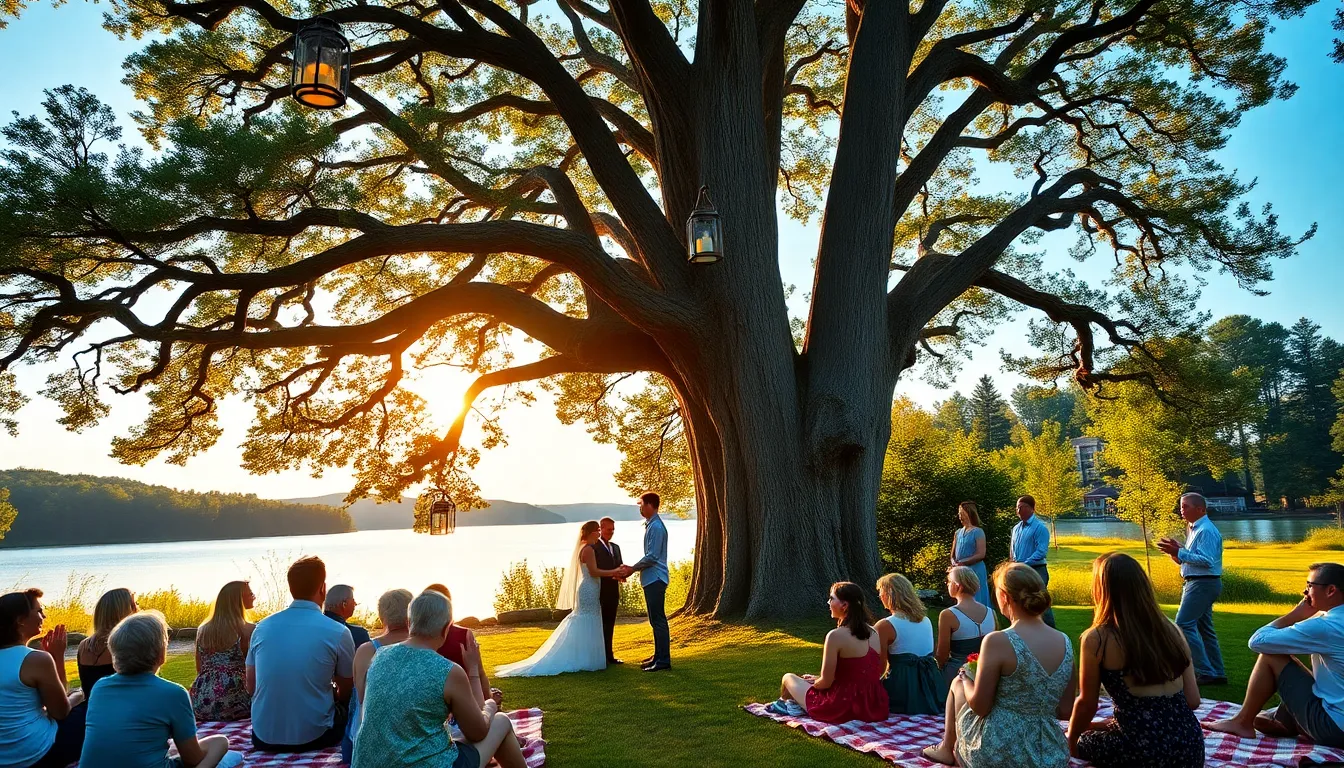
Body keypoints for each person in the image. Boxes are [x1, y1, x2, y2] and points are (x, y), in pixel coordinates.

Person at [922, 563, 1076, 768]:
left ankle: (946, 749)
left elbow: (981, 707)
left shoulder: (998, 641)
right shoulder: (1065, 641)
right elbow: (1066, 710)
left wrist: (966, 679)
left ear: (1004, 597)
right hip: (1048, 751)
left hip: (998, 752)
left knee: (958, 684)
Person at [353, 590, 527, 768]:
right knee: (501, 721)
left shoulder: (379, 656)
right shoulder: (448, 671)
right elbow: (478, 732)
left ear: (409, 622)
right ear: (446, 628)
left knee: (455, 737)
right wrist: (489, 705)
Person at [1067, 553, 1203, 768]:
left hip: (1142, 750)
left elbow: (1086, 703)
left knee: (1087, 740)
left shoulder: (1098, 638)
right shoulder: (1171, 629)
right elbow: (1193, 700)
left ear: (1102, 590)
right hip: (1190, 746)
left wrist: (1071, 739)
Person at [78, 610, 242, 768]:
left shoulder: (99, 688)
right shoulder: (174, 694)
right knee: (221, 743)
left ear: (114, 656)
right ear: (161, 654)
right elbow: (193, 759)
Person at [1208, 562, 1344, 748]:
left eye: (1309, 585)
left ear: (1331, 590)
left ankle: (1242, 722)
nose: (1305, 592)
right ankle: (1288, 720)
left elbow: (1258, 641)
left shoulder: (1327, 626)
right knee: (1264, 718)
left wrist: (1295, 614)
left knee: (1272, 656)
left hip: (1335, 729)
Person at [245, 555, 356, 752]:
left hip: (264, 736)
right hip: (316, 736)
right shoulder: (337, 631)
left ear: (291, 588)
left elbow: (251, 686)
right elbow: (346, 690)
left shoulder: (262, 628)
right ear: (322, 588)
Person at [495, 521, 619, 677]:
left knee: (590, 619)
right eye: (597, 531)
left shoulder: (586, 548)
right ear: (591, 533)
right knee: (587, 619)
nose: (599, 534)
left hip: (592, 589)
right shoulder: (588, 550)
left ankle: (589, 657)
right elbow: (594, 572)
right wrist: (615, 571)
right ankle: (584, 658)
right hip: (589, 589)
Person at [768, 582, 889, 724]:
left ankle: (789, 706)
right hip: (873, 705)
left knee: (788, 678)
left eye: (832, 599)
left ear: (844, 605)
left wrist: (812, 683)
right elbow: (872, 671)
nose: (828, 602)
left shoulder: (835, 636)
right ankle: (789, 705)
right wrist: (817, 679)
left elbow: (826, 683)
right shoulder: (874, 632)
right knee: (805, 682)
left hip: (843, 706)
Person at [0, 588, 86, 768]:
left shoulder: (30, 658)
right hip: (31, 754)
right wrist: (57, 657)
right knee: (86, 708)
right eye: (39, 611)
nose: (44, 616)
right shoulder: (35, 659)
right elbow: (60, 712)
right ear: (20, 620)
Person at [1157, 492, 1227, 686]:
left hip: (1202, 583)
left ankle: (1205, 671)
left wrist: (1179, 551)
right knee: (1205, 629)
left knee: (1184, 624)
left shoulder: (1206, 530)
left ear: (1201, 509)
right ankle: (1216, 672)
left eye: (1186, 506)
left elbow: (1207, 561)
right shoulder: (1195, 529)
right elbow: (1188, 560)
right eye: (1181, 506)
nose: (1182, 509)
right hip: (1199, 582)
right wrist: (1176, 552)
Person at [344, 588, 414, 764]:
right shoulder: (425, 648)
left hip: (364, 746)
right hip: (413, 742)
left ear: (382, 616)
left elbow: (361, 698)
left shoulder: (366, 651)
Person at [619, 491, 671, 672]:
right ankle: (658, 656)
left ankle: (663, 660)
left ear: (649, 505)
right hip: (651, 579)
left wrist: (632, 568)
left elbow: (652, 556)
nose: (640, 508)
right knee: (654, 620)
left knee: (658, 620)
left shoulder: (656, 527)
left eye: (641, 504)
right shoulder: (652, 525)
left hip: (655, 578)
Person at [875, 573, 941, 715]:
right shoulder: (926, 620)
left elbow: (879, 665)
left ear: (889, 595)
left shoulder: (885, 625)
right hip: (930, 684)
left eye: (881, 593)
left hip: (902, 685)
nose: (880, 597)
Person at [191, 580, 255, 721]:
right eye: (250, 594)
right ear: (239, 600)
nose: (254, 596)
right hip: (236, 700)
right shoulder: (249, 630)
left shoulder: (203, 630)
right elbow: (255, 670)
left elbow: (199, 667)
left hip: (202, 700)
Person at [428, 584, 495, 702]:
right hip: (465, 700)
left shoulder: (417, 638)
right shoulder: (463, 635)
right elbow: (479, 672)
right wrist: (489, 701)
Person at [936, 566, 997, 694]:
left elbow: (942, 655)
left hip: (958, 675)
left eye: (949, 582)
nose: (947, 585)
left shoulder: (948, 614)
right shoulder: (991, 613)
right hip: (986, 673)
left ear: (958, 586)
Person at [76, 588, 137, 695]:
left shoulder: (83, 646)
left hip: (90, 708)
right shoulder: (125, 645)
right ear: (125, 610)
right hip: (118, 708)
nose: (138, 609)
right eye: (134, 604)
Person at [1009, 495, 1056, 627]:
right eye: (1017, 507)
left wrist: (1024, 564)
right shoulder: (1016, 528)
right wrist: (1013, 563)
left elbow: (1041, 552)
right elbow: (1013, 550)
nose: (1018, 510)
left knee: (1040, 602)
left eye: (1021, 507)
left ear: (1031, 508)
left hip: (1036, 570)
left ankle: (1051, 631)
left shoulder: (1040, 528)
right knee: (1021, 602)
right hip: (1018, 570)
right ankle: (1027, 630)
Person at [592, 516, 625, 665]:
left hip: (613, 591)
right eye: (608, 529)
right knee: (598, 624)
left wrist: (622, 575)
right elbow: (594, 570)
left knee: (610, 623)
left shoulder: (616, 547)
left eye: (613, 530)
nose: (611, 532)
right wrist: (613, 572)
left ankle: (609, 655)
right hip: (598, 590)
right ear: (601, 528)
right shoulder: (593, 547)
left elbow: (620, 565)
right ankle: (599, 655)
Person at [951, 501, 992, 608]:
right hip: (960, 571)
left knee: (977, 595)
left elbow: (981, 554)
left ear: (969, 513)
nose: (960, 516)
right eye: (959, 514)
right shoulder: (958, 533)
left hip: (975, 570)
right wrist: (954, 564)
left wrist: (963, 562)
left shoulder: (978, 532)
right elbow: (953, 554)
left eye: (962, 513)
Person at [324, 585, 372, 650]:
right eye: (353, 600)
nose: (355, 604)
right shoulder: (359, 634)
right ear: (344, 604)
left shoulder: (314, 626)